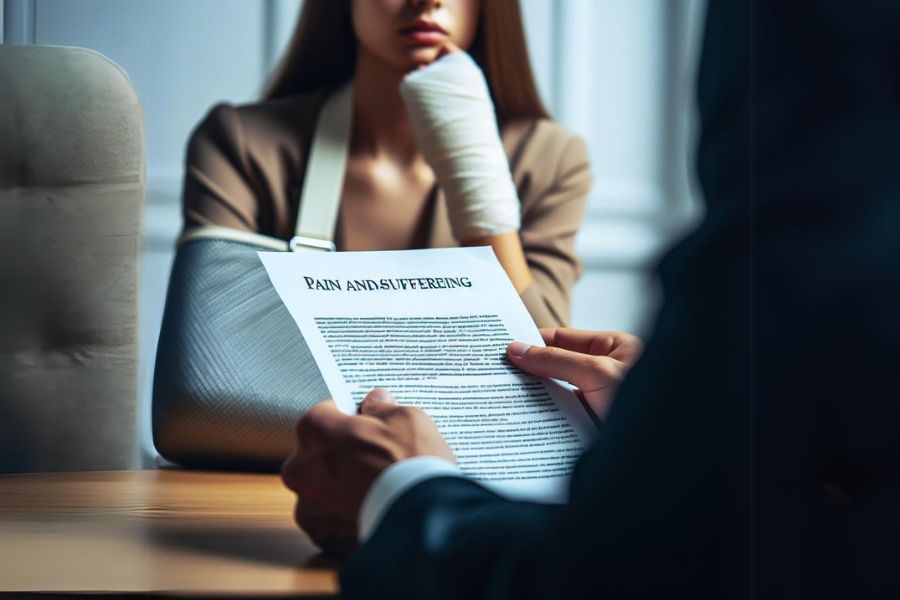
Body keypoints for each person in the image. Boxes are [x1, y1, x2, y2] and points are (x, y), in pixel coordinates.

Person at [280, 0, 900, 596]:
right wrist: (667, 413)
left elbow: (615, 574)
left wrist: (402, 494)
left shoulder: (797, 232)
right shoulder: (261, 141)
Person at [181, 0, 592, 327]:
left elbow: (553, 367)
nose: (427, 2)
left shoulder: (551, 160)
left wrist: (477, 179)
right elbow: (213, 363)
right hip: (288, 435)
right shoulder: (240, 144)